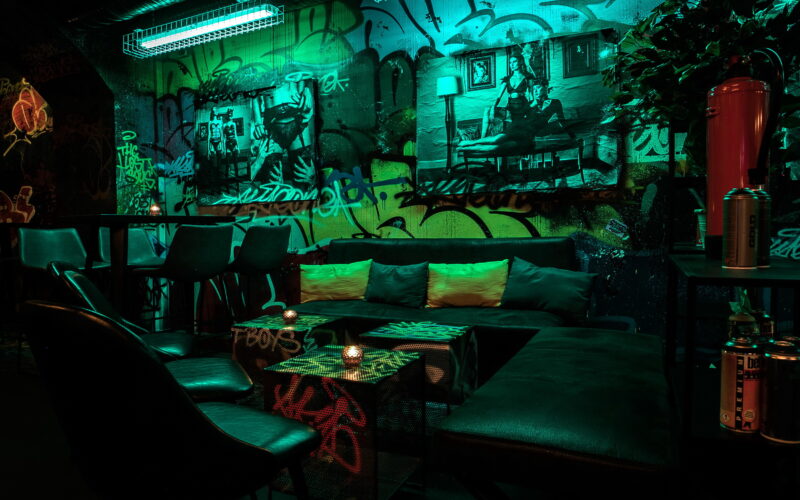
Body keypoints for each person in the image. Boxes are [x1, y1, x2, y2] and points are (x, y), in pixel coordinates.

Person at [458, 77, 574, 157]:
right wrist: (532, 105)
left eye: (538, 88)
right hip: (518, 129)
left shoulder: (555, 102)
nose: (536, 91)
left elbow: (562, 120)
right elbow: (518, 116)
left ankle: (464, 149)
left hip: (529, 136)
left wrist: (572, 136)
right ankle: (469, 143)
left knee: (496, 148)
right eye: (534, 89)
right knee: (495, 140)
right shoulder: (530, 103)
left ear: (546, 87)